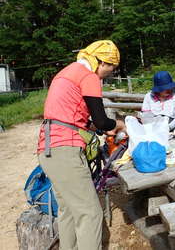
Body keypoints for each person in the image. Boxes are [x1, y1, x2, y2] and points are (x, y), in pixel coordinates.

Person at [37, 40, 125, 250]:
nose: (107, 75)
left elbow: (75, 117)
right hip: (65, 149)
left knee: (68, 209)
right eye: (109, 70)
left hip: (49, 147)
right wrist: (120, 124)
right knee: (90, 213)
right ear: (101, 62)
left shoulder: (67, 73)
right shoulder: (89, 76)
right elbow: (103, 121)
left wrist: (98, 128)